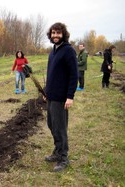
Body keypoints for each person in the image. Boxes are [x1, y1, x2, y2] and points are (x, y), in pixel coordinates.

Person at [44, 22, 78, 172]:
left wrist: (70, 96)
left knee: (60, 128)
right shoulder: (53, 51)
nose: (55, 35)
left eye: (58, 33)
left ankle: (64, 158)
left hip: (61, 98)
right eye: (53, 33)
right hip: (51, 96)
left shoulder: (68, 51)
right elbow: (51, 74)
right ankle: (57, 152)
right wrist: (47, 92)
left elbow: (74, 75)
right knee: (52, 125)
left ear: (63, 34)